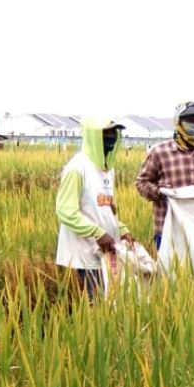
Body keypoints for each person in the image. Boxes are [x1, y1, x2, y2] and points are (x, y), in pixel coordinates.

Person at [55, 118, 135, 296]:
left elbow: (107, 207)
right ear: (93, 136)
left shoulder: (107, 169)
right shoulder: (77, 168)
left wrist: (121, 229)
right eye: (106, 133)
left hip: (107, 249)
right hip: (86, 250)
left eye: (114, 133)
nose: (111, 137)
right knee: (97, 303)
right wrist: (98, 233)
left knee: (112, 301)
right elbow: (65, 211)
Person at [135, 101, 194, 249]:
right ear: (178, 122)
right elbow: (142, 183)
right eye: (190, 120)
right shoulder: (159, 152)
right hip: (168, 228)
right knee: (171, 272)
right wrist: (160, 192)